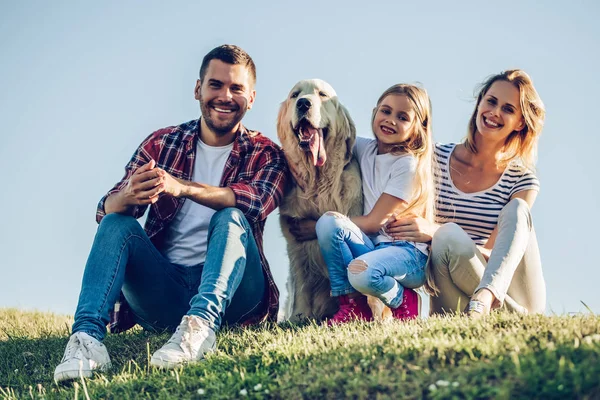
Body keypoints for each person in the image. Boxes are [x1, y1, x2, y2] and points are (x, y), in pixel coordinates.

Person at [53, 44, 287, 382]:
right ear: (198, 89)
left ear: (251, 98)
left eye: (236, 88)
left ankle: (200, 328)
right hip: (164, 292)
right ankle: (86, 342)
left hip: (236, 296)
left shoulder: (266, 153)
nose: (225, 96)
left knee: (232, 216)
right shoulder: (163, 143)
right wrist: (127, 195)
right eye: (215, 85)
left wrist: (182, 187)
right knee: (117, 222)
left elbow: (255, 203)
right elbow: (106, 210)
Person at [386, 69, 546, 317]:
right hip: (455, 294)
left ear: (521, 122)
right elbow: (377, 160)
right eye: (491, 101)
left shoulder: (522, 180)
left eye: (508, 109)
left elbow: (496, 255)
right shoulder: (434, 158)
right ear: (480, 102)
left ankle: (490, 298)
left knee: (516, 210)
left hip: (510, 288)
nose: (494, 112)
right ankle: (511, 316)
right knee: (447, 237)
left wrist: (433, 231)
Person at [314, 84, 435, 324]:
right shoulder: (365, 148)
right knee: (328, 222)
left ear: (418, 128)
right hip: (374, 247)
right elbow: (336, 134)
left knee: (361, 272)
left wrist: (310, 228)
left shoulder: (406, 165)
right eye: (386, 111)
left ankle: (403, 300)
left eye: (402, 117)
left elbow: (372, 223)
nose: (390, 120)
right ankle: (354, 306)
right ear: (374, 111)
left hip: (407, 255)